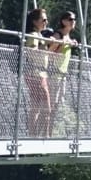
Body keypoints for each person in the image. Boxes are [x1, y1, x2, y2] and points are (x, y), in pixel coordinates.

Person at [22, 7, 53, 136]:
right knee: (46, 108)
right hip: (36, 74)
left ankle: (34, 135)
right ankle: (42, 136)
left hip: (39, 74)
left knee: (36, 108)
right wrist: (44, 48)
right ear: (35, 22)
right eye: (43, 20)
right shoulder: (34, 35)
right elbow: (32, 52)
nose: (46, 22)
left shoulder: (38, 35)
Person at [48, 10, 78, 134]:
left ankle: (52, 131)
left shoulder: (68, 37)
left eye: (74, 19)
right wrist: (59, 43)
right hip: (54, 74)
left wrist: (71, 43)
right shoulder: (59, 35)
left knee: (59, 103)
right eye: (70, 19)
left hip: (62, 74)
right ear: (63, 21)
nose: (73, 22)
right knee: (52, 104)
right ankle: (47, 131)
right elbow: (49, 51)